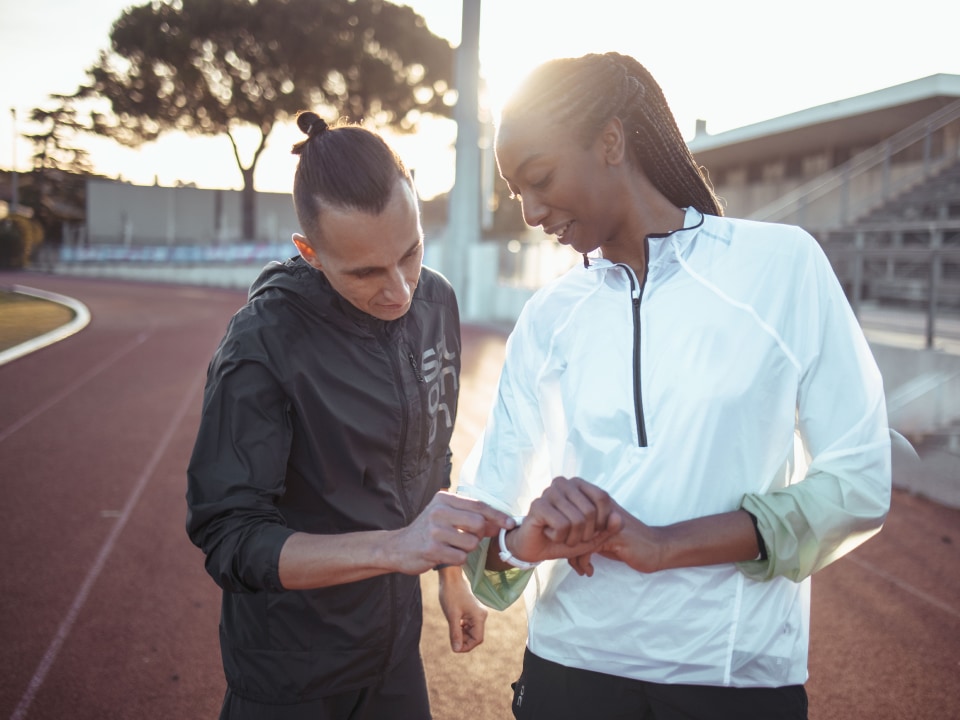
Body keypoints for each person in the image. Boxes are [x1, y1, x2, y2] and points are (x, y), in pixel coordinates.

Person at [454, 53, 893, 719]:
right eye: (516, 193)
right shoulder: (549, 316)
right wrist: (524, 541)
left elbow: (860, 484)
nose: (532, 211)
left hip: (732, 682)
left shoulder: (781, 268)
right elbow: (489, 549)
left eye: (539, 180)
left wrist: (664, 545)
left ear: (610, 141)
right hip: (567, 675)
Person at [186, 111, 514, 720]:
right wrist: (395, 549)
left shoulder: (435, 300)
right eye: (365, 272)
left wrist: (449, 574)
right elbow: (230, 540)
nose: (400, 290)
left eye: (410, 251)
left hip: (393, 656)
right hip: (291, 675)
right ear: (309, 252)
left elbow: (429, 460)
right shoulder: (262, 344)